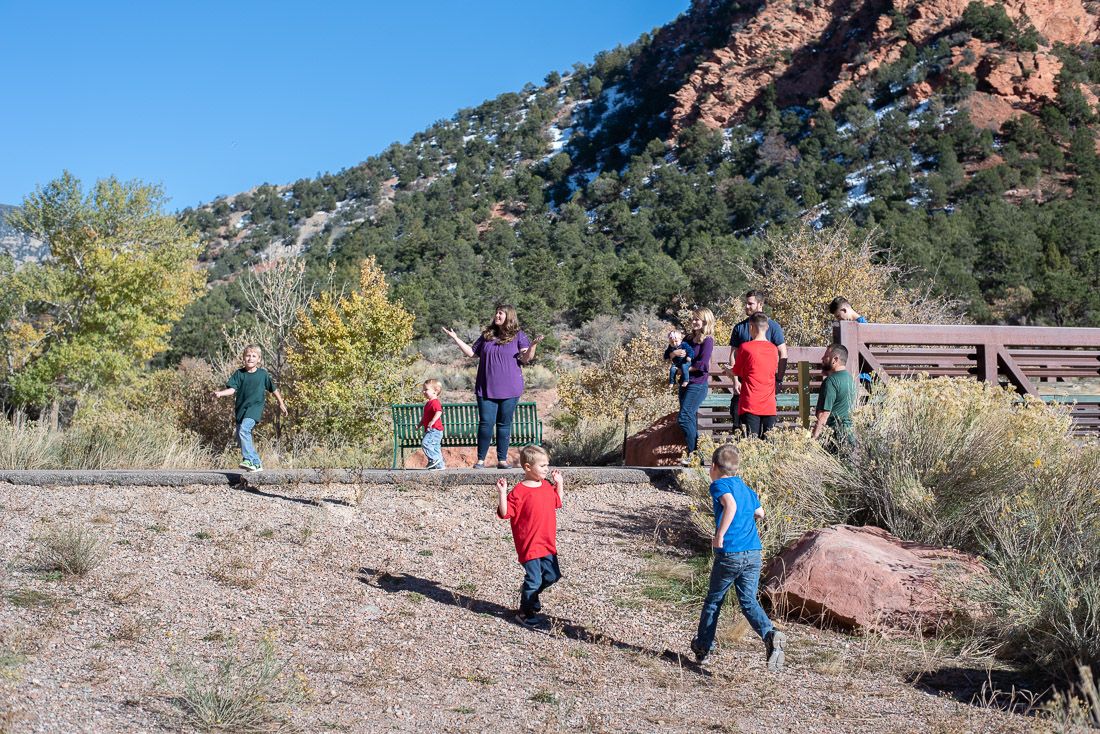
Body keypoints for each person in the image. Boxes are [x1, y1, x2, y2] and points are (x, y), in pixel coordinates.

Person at [690, 443, 786, 670]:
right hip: (753, 552)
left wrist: (719, 535)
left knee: (714, 601)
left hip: (730, 553)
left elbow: (730, 506)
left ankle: (703, 648)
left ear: (713, 466)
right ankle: (770, 634)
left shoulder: (719, 485)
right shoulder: (745, 487)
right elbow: (760, 513)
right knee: (748, 601)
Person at [442, 305, 543, 469]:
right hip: (486, 388)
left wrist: (533, 345)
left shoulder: (518, 336)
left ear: (509, 316)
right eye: (496, 312)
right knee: (486, 423)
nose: (497, 315)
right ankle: (480, 460)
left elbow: (526, 359)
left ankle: (502, 460)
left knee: (504, 424)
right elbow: (471, 353)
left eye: (501, 313)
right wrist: (455, 338)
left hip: (510, 389)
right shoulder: (487, 335)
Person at [496, 445, 565, 631]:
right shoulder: (519, 492)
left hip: (547, 542)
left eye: (547, 465)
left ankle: (530, 596)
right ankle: (524, 612)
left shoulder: (547, 486)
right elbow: (505, 513)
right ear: (527, 467)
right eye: (542, 466)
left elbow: (558, 502)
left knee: (552, 576)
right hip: (529, 545)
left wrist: (559, 483)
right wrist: (502, 494)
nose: (546, 469)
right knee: (534, 580)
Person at [212, 345, 288, 473]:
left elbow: (273, 389)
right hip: (241, 410)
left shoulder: (263, 374)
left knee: (244, 430)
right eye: (248, 355)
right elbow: (232, 390)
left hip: (255, 409)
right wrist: (220, 393)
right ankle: (257, 463)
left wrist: (281, 403)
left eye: (254, 356)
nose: (250, 358)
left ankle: (248, 460)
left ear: (259, 359)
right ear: (243, 358)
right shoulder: (239, 374)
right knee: (242, 438)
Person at [727, 290, 787, 423]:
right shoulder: (739, 327)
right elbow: (733, 355)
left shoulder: (773, 326)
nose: (746, 306)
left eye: (750, 304)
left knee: (767, 429)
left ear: (760, 304)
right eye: (746, 303)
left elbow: (783, 353)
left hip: (765, 387)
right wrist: (736, 381)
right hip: (744, 385)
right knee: (739, 424)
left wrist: (779, 380)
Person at [669, 308, 715, 465]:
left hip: (698, 384)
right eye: (693, 319)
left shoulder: (707, 340)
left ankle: (693, 454)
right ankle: (697, 457)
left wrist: (684, 369)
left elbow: (702, 364)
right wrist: (673, 354)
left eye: (697, 319)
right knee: (690, 420)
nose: (694, 322)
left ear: (705, 321)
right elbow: (674, 353)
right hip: (684, 383)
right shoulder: (688, 338)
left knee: (683, 418)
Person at [732, 313, 779, 439]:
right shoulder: (774, 349)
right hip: (769, 404)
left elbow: (737, 371)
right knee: (769, 445)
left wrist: (728, 371)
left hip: (750, 402)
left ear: (751, 327)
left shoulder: (745, 347)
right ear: (767, 327)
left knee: (751, 441)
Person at [812, 343, 857, 449]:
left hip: (833, 437)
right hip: (848, 434)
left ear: (835, 359)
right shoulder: (850, 379)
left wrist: (813, 439)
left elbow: (824, 414)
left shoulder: (830, 382)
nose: (822, 358)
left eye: (826, 356)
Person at [829, 297, 872, 385]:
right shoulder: (851, 326)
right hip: (853, 372)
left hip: (862, 375)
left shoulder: (862, 325)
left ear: (844, 310)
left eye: (838, 316)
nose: (839, 320)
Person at [420, 379, 445, 471]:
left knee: (425, 443)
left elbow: (439, 412)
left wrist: (433, 421)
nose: (424, 391)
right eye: (423, 390)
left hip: (435, 430)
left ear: (435, 391)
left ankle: (434, 459)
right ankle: (440, 465)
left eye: (426, 389)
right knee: (435, 447)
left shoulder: (435, 402)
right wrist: (419, 424)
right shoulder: (428, 403)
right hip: (432, 429)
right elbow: (425, 417)